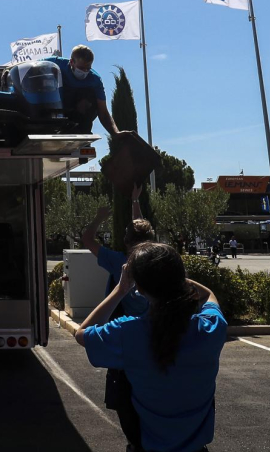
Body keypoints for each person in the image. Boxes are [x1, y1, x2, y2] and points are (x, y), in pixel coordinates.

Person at [77, 243, 227, 452]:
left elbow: (82, 334)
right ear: (179, 277)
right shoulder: (210, 328)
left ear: (139, 287)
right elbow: (208, 295)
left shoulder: (127, 332)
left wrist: (120, 290)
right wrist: (175, 280)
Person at [81, 184, 155, 439]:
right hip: (156, 335)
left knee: (127, 401)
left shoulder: (118, 262)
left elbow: (87, 239)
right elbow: (140, 232)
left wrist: (100, 217)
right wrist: (135, 202)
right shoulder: (158, 259)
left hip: (127, 338)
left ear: (125, 240)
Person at [45, 45, 124, 136]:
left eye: (88, 68)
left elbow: (103, 111)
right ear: (71, 62)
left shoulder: (95, 80)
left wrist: (115, 133)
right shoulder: (55, 63)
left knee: (88, 93)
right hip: (57, 106)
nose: (85, 71)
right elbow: (29, 66)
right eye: (81, 68)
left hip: (76, 112)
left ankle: (81, 131)